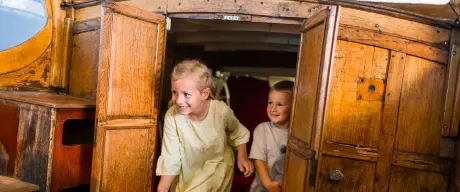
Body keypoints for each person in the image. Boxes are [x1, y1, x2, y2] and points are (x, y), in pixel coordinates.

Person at [156, 59, 254, 192]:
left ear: (204, 94)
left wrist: (242, 157)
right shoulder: (172, 116)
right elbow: (171, 154)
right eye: (175, 92)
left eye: (186, 94)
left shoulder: (220, 111)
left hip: (217, 163)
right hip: (187, 170)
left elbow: (238, 132)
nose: (179, 100)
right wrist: (163, 187)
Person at [249, 80, 294, 192]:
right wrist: (269, 184)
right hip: (263, 187)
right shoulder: (262, 129)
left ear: (294, 107)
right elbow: (259, 161)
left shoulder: (299, 134)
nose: (273, 109)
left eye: (280, 104)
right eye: (270, 102)